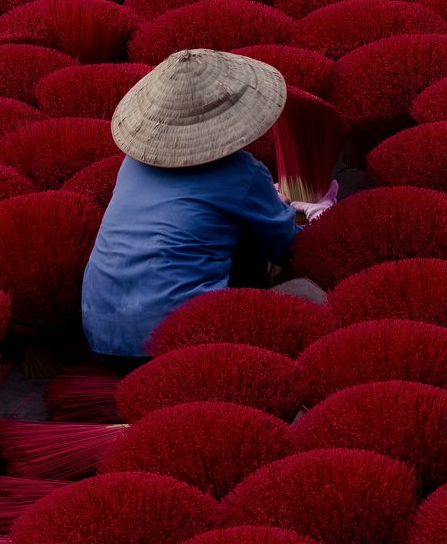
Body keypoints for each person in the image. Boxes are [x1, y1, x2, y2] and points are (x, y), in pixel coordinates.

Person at [81, 49, 338, 359]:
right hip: (181, 341)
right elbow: (286, 249)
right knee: (310, 296)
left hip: (101, 336)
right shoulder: (241, 173)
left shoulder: (132, 165)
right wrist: (322, 217)